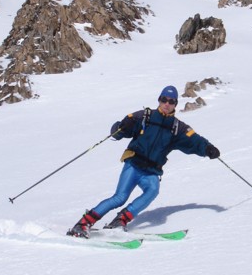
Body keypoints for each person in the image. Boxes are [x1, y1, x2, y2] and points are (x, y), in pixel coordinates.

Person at [67, 85, 220, 237]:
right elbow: (120, 130)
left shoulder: (177, 128)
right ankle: (82, 224)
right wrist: (120, 127)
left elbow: (195, 140)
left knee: (153, 190)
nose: (167, 104)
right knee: (120, 197)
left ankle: (120, 220)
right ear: (159, 100)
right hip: (133, 164)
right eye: (164, 99)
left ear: (175, 104)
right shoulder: (144, 116)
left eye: (171, 101)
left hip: (151, 170)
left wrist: (208, 148)